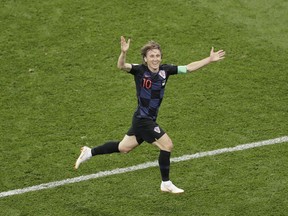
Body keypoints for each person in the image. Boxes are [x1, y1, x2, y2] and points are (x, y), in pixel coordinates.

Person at [75, 36, 225, 194]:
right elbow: (121, 65)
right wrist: (123, 52)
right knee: (167, 145)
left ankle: (89, 152)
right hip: (143, 120)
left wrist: (209, 59)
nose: (155, 59)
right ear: (145, 59)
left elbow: (188, 68)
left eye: (157, 56)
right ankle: (165, 183)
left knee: (123, 147)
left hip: (145, 119)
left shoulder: (165, 71)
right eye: (152, 56)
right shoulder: (139, 71)